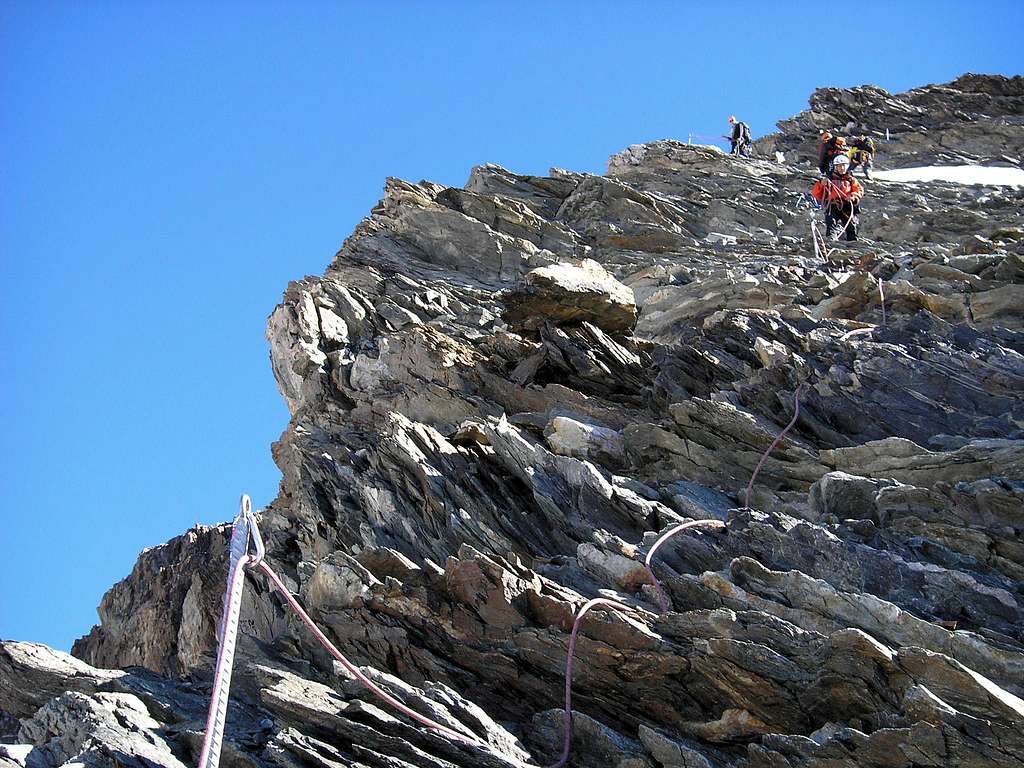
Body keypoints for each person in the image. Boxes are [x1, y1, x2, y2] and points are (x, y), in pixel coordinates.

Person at [811, 153, 865, 241]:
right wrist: (821, 184)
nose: (841, 168)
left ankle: (853, 243)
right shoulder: (828, 180)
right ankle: (831, 241)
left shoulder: (851, 180)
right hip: (833, 205)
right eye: (839, 166)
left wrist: (853, 196)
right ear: (835, 167)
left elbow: (859, 190)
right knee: (831, 222)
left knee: (851, 226)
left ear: (847, 166)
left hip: (847, 206)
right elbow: (816, 194)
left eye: (843, 166)